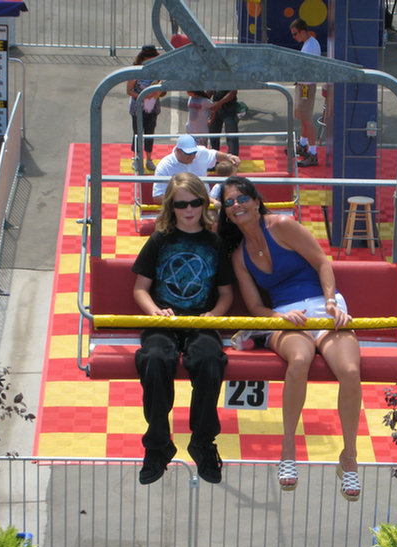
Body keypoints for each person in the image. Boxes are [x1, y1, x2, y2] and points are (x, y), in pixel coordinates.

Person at [217, 176, 363, 501]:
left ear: (256, 201)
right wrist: (280, 318)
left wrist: (329, 301)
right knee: (299, 360)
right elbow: (255, 306)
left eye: (242, 198)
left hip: (323, 306)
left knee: (351, 371)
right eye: (229, 203)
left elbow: (322, 262)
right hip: (286, 316)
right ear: (226, 213)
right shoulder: (240, 257)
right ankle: (288, 448)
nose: (236, 205)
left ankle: (349, 456)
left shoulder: (282, 225)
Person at [132, 172, 234, 485]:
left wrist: (213, 315)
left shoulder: (214, 244)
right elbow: (140, 289)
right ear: (171, 207)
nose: (188, 209)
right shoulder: (160, 240)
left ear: (203, 203)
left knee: (208, 360)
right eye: (181, 204)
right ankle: (158, 443)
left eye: (194, 202)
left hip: (200, 320)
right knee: (155, 359)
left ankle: (202, 442)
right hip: (164, 321)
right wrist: (155, 312)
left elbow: (227, 294)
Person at [152, 134, 241, 204]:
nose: (193, 156)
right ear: (178, 151)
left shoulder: (200, 152)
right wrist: (181, 204)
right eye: (188, 154)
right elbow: (157, 196)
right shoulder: (164, 166)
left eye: (194, 152)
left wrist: (228, 157)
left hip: (205, 203)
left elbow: (214, 155)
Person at [126, 45, 164, 171]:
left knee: (150, 133)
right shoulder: (136, 71)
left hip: (152, 107)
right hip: (138, 108)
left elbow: (163, 89)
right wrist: (142, 97)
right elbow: (129, 91)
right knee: (138, 133)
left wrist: (157, 92)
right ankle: (137, 158)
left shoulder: (157, 70)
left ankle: (148, 159)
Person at [290, 18, 321, 168]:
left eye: (295, 34)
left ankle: (313, 153)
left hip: (306, 88)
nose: (294, 37)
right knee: (303, 117)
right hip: (304, 87)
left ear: (302, 32)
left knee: (307, 120)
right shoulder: (309, 44)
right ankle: (302, 145)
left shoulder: (310, 46)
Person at [209, 90, 239, 156]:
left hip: (229, 109)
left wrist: (219, 103)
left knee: (231, 137)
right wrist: (204, 100)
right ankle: (213, 160)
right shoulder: (213, 79)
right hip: (216, 108)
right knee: (213, 136)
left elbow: (233, 92)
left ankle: (233, 161)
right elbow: (210, 89)